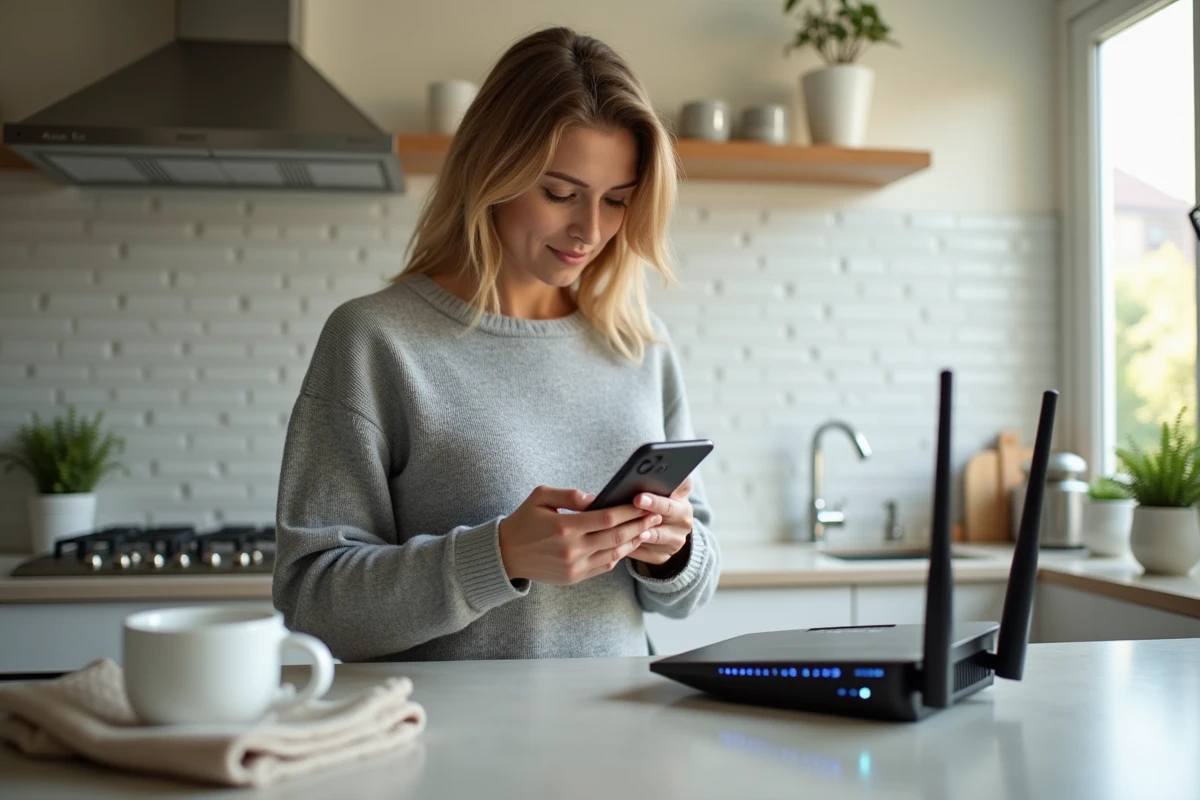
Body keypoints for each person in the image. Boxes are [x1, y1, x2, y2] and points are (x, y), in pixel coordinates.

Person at [272, 26, 720, 662]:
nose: (590, 230)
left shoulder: (640, 345)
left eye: (617, 201)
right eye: (559, 193)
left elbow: (692, 590)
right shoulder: (376, 340)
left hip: (619, 743)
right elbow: (311, 604)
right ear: (493, 172)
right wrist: (499, 556)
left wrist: (674, 551)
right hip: (443, 752)